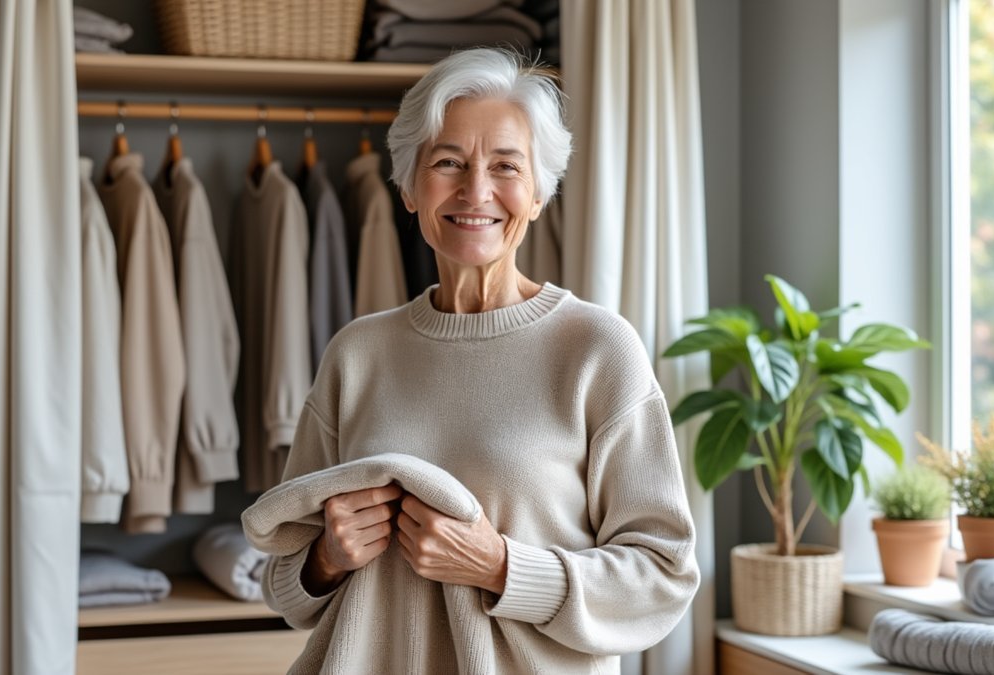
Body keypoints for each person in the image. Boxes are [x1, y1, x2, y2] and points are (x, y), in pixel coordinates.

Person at [260, 47, 700, 674]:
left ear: (539, 194)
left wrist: (501, 567)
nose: (476, 190)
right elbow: (284, 584)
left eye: (506, 166)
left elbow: (663, 577)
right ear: (408, 188)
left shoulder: (597, 348)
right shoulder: (357, 353)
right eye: (448, 162)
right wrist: (326, 557)